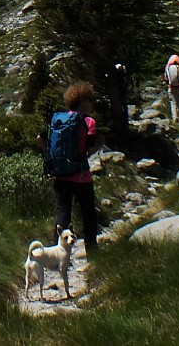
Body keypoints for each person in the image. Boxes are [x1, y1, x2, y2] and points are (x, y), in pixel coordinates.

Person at [44, 82, 104, 252]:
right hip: (81, 176)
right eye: (90, 100)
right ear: (83, 101)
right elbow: (89, 150)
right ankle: (92, 250)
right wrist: (100, 144)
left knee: (63, 213)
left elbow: (40, 139)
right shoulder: (88, 121)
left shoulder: (58, 119)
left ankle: (58, 251)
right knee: (88, 213)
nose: (92, 103)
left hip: (60, 175)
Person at [163, 53, 179, 124]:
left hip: (171, 88)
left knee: (173, 103)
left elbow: (165, 78)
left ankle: (175, 119)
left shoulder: (167, 67)